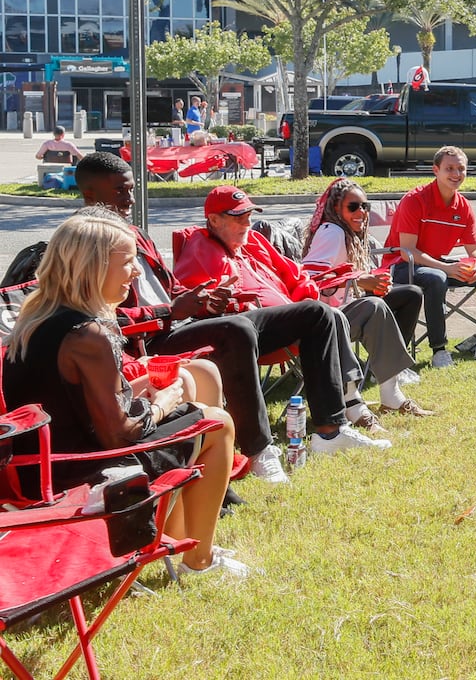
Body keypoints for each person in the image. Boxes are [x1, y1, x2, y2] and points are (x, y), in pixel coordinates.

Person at [75, 153, 364, 483]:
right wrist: (168, 311)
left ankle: (330, 429)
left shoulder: (135, 233)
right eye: (119, 192)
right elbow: (92, 320)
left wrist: (205, 300)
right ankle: (258, 450)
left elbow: (171, 287)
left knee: (316, 313)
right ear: (90, 195)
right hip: (149, 343)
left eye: (131, 190)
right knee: (236, 327)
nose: (129, 199)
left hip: (179, 323)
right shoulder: (84, 242)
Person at [1, 210, 249, 579]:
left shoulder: (39, 317)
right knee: (216, 423)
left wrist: (137, 390)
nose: (135, 272)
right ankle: (200, 561)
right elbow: (118, 435)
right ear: (93, 268)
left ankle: (179, 539)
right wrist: (161, 404)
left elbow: (67, 400)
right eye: (129, 262)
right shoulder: (89, 333)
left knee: (190, 401)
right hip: (76, 474)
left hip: (37, 466)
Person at [172, 185, 392, 455]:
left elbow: (296, 275)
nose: (246, 223)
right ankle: (347, 411)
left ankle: (334, 426)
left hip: (287, 321)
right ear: (214, 220)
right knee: (322, 314)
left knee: (328, 314)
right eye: (238, 217)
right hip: (243, 331)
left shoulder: (253, 240)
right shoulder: (199, 246)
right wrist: (219, 299)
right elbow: (190, 296)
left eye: (249, 216)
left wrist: (301, 299)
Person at [302, 178, 436, 418]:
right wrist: (360, 282)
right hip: (323, 321)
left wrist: (371, 283)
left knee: (409, 294)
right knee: (375, 306)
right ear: (335, 209)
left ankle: (386, 377)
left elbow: (344, 276)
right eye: (352, 207)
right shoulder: (332, 232)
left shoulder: (347, 231)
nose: (361, 212)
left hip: (344, 305)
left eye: (365, 206)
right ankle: (389, 394)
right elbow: (309, 278)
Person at [381, 146, 476, 367]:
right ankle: (439, 352)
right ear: (436, 170)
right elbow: (407, 251)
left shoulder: (463, 206)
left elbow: (475, 248)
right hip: (402, 265)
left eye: (461, 169)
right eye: (449, 168)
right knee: (436, 277)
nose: (456, 174)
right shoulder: (415, 200)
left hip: (434, 265)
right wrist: (447, 268)